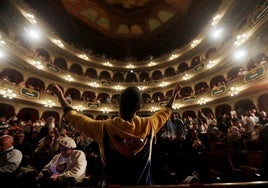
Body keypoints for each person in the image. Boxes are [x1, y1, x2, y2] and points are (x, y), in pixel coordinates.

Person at [51, 83, 182, 186]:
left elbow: (75, 118)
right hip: (144, 186)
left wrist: (60, 96)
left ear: (118, 105)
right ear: (138, 108)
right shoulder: (150, 124)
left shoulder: (103, 128)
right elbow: (167, 111)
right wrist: (175, 93)